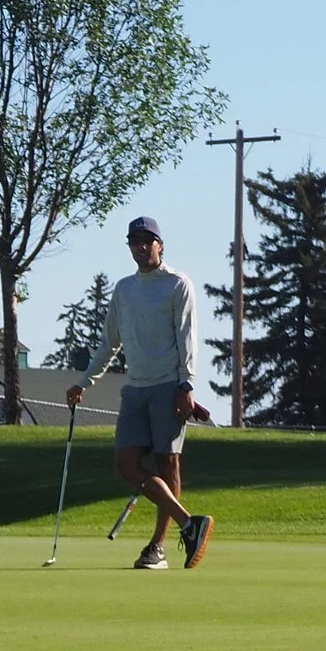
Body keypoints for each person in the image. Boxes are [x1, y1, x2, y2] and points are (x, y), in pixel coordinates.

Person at [65, 216, 215, 570]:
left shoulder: (178, 284)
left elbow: (187, 338)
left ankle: (157, 548)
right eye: (135, 241)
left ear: (161, 244)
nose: (141, 246)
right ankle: (188, 522)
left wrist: (187, 385)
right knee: (125, 465)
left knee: (168, 463)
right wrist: (84, 382)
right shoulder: (124, 289)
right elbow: (109, 345)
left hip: (169, 387)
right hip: (135, 389)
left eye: (148, 240)